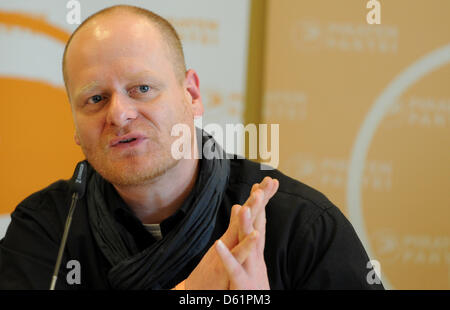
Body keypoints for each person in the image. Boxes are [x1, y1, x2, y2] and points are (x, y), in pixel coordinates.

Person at [0, 5, 383, 290]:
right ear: (75, 126)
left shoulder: (296, 225)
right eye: (96, 99)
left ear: (192, 94)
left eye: (142, 89)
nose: (119, 115)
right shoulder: (47, 228)